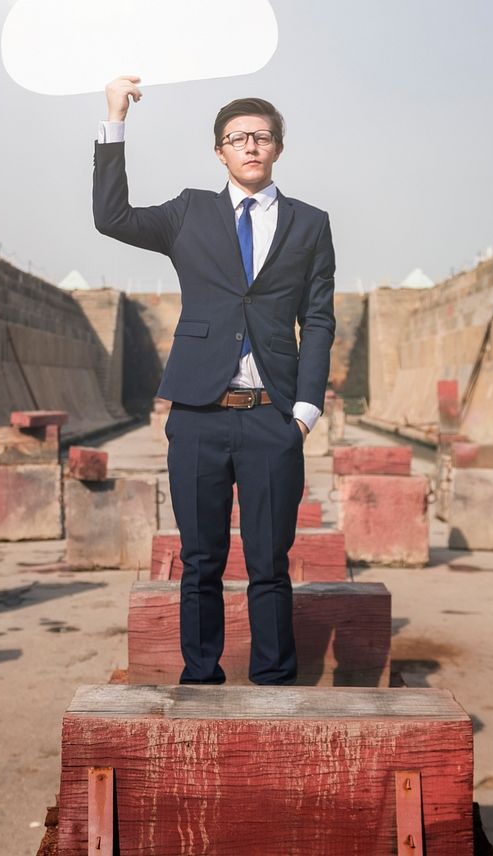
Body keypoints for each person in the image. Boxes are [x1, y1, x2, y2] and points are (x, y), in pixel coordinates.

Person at [93, 75, 335, 685]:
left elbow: (321, 320)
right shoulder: (189, 213)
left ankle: (274, 682)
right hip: (199, 413)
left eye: (261, 137)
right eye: (237, 138)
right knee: (200, 560)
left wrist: (304, 412)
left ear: (278, 147)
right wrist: (115, 118)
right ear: (219, 151)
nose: (250, 146)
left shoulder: (310, 223)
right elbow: (111, 216)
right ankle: (200, 679)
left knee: (269, 562)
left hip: (271, 415)